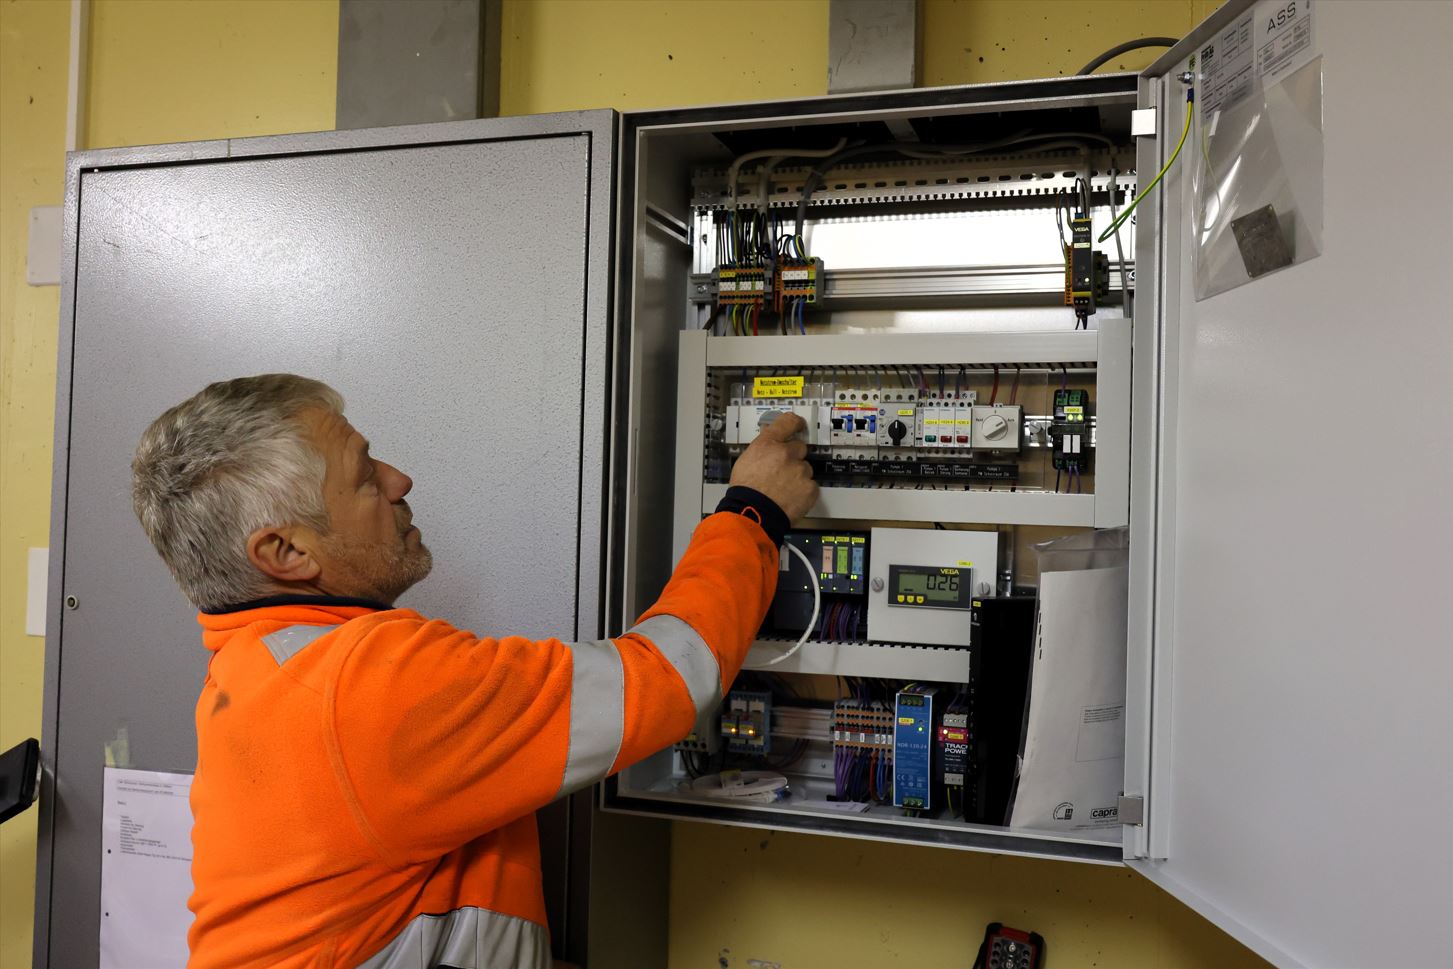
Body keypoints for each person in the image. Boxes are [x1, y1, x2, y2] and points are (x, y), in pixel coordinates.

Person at [130, 373, 817, 969]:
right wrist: (753, 512)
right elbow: (668, 675)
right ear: (285, 550)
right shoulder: (367, 683)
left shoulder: (256, 665)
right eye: (364, 475)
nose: (398, 480)